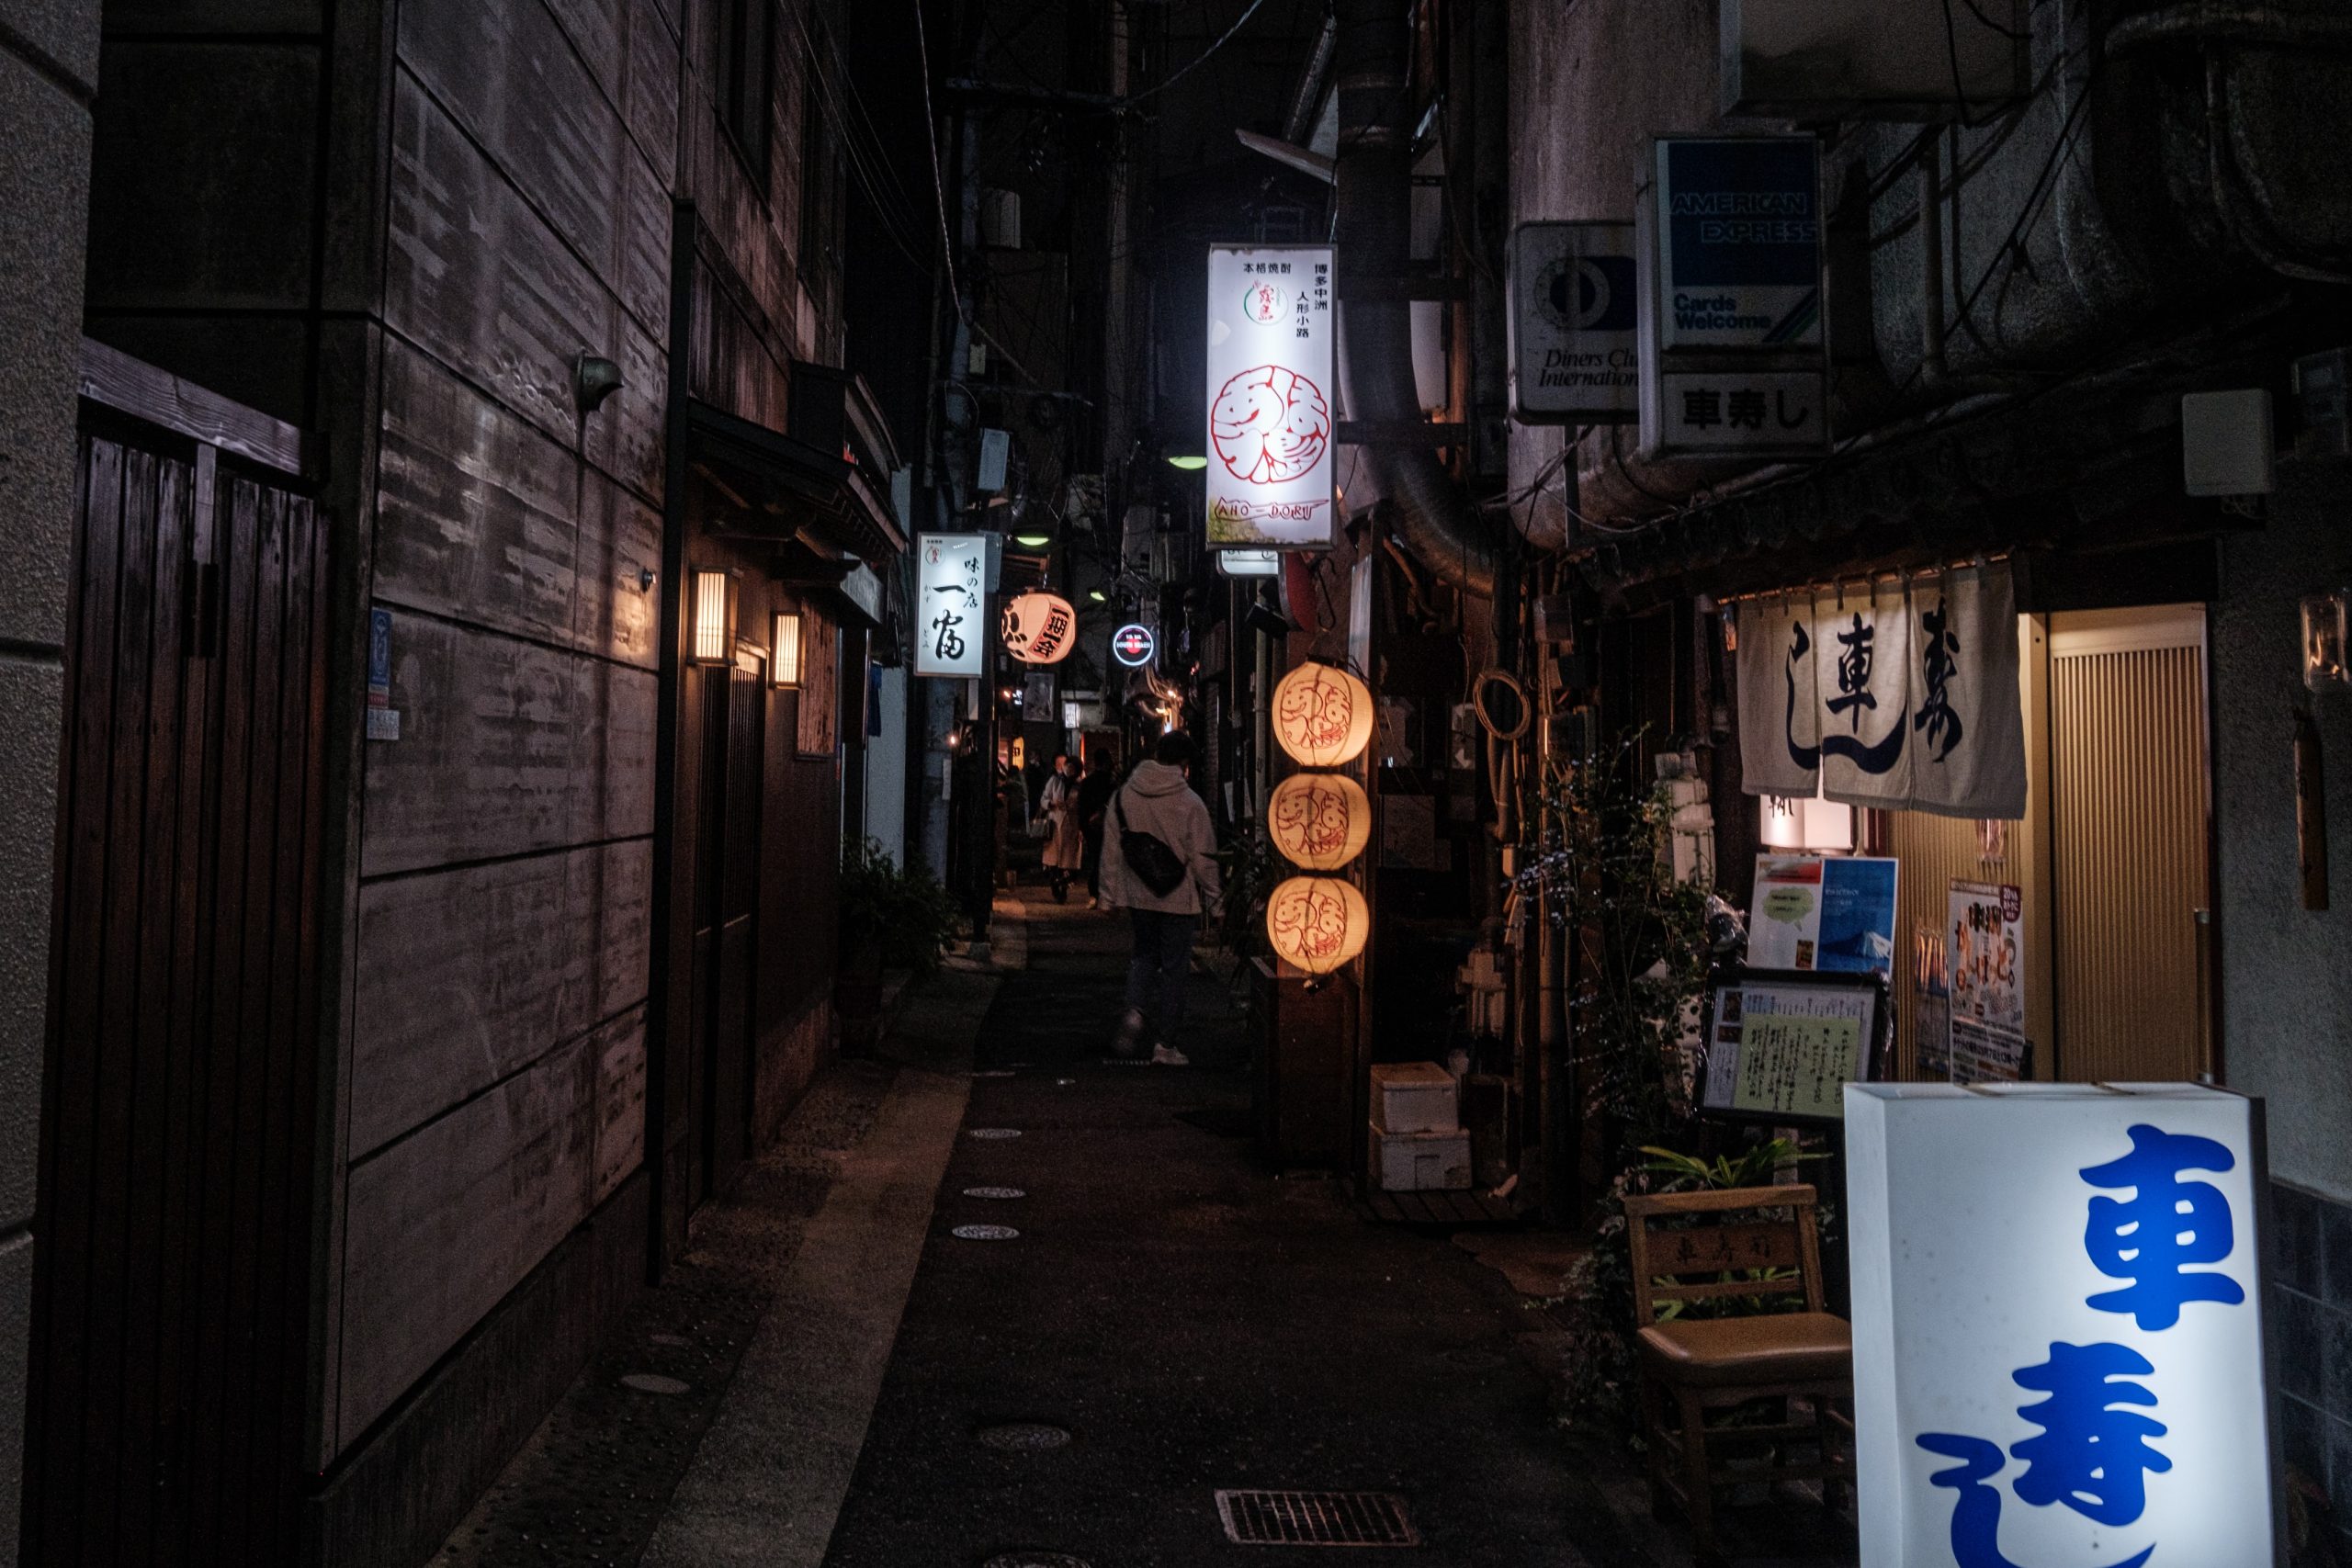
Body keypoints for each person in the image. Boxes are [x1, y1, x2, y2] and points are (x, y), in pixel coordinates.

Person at [1098, 731, 1221, 1066]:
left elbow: (1111, 850)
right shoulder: (1190, 803)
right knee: (1174, 968)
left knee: (1143, 955)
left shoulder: (1125, 795)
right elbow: (1203, 857)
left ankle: (1136, 1009)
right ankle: (1165, 1044)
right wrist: (1217, 901)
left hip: (1139, 895)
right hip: (1177, 897)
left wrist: (1107, 897)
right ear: (1183, 764)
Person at [1075, 749, 1117, 908]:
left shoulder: (1087, 783)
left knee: (1095, 860)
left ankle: (1094, 894)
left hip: (1091, 828)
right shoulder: (1112, 783)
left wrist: (1082, 827)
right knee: (1107, 861)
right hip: (1108, 826)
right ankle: (1105, 895)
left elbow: (1082, 808)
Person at [1040, 754, 1084, 901]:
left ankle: (1064, 886)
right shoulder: (1055, 780)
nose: (1068, 769)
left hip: (1071, 825)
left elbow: (1082, 806)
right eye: (1067, 766)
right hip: (1054, 823)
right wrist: (1051, 804)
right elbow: (1044, 798)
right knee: (1053, 859)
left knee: (1068, 860)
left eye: (1072, 767)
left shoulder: (1080, 785)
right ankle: (1055, 884)